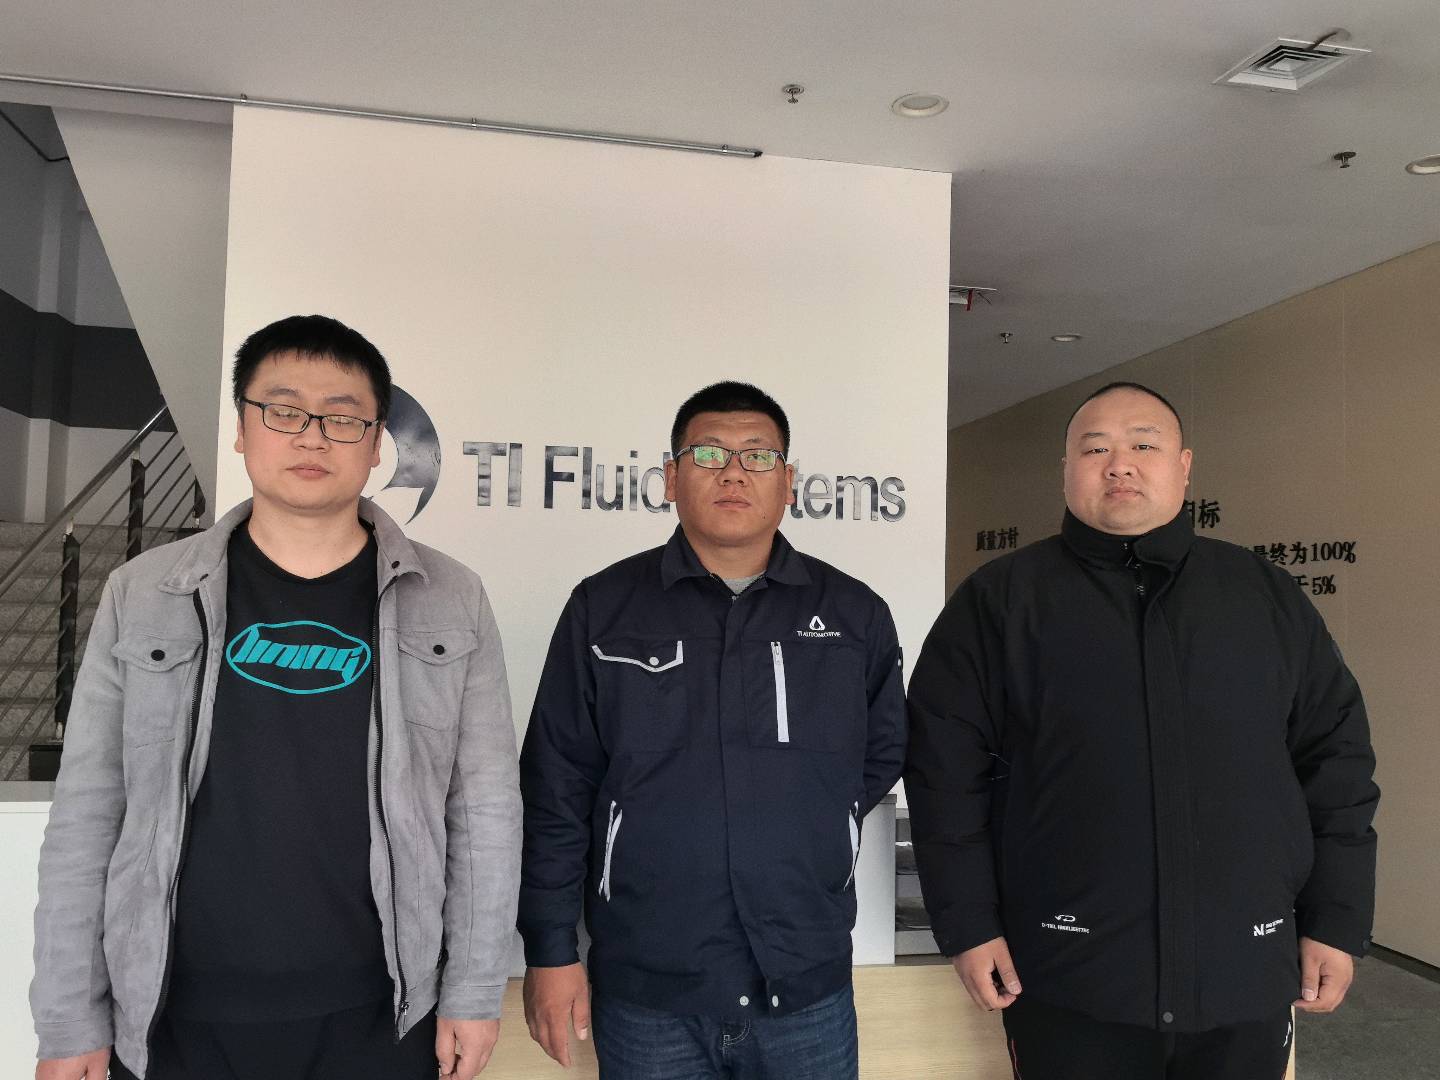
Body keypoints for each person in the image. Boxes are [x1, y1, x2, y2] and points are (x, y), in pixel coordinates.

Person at [31, 315, 521, 1080]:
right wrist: (69, 1018)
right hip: (175, 1015)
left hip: (381, 1014)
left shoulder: (450, 598)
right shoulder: (144, 594)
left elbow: (484, 809)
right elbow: (89, 812)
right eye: (284, 410)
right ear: (241, 429)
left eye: (342, 417)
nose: (312, 436)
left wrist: (474, 988)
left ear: (377, 443)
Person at [905, 381, 1379, 1080]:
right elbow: (943, 775)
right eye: (1094, 449)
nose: (1119, 464)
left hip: (1243, 969)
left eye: (1144, 446)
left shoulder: (1263, 595)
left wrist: (1335, 919)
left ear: (1184, 467)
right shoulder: (1000, 600)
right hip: (1067, 972)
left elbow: (1335, 763)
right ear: (1065, 470)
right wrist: (968, 924)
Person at [518, 381, 906, 1079]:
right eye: (708, 454)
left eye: (757, 455)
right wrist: (550, 951)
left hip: (805, 985)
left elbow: (879, 756)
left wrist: (813, 815)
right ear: (671, 478)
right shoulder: (604, 608)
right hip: (648, 991)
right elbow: (557, 787)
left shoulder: (854, 615)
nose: (732, 472)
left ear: (789, 482)